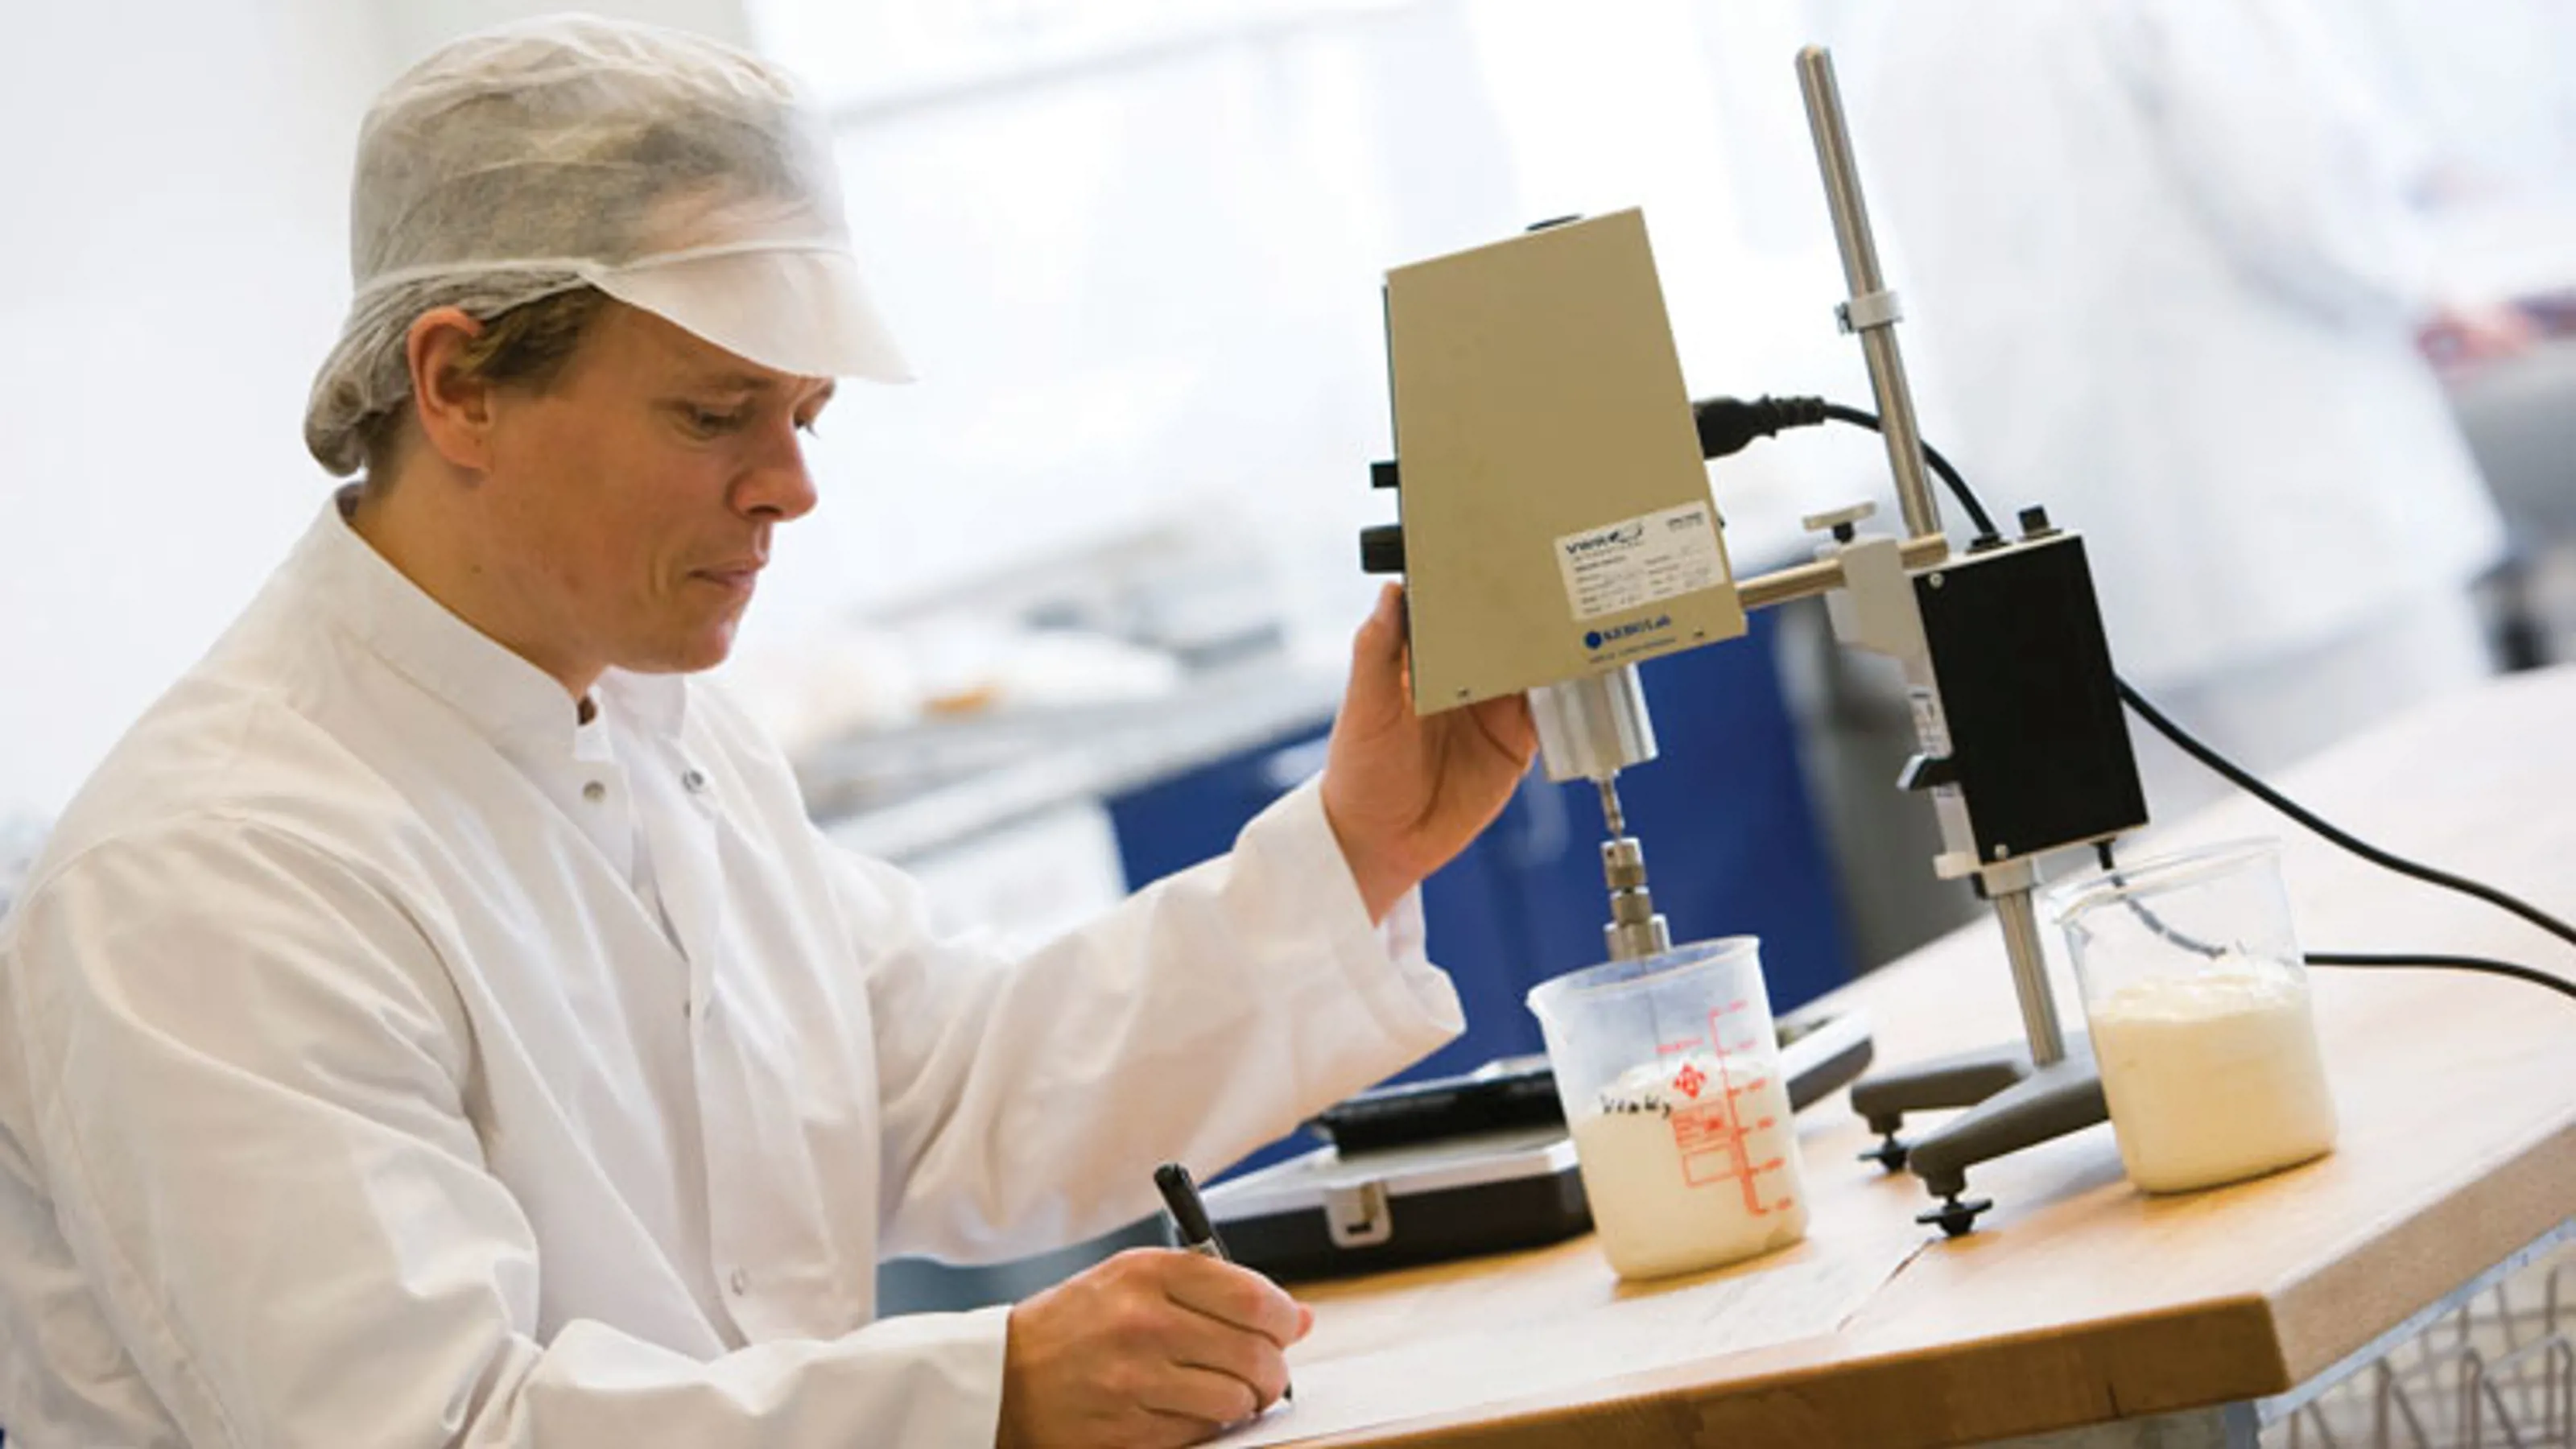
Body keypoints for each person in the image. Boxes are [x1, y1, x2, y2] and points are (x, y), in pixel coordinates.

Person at [0, 17, 1534, 1447]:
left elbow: (952, 1082)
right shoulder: (213, 874)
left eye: (806, 414)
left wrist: (1359, 844)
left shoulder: (660, 727)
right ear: (460, 383)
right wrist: (979, 1395)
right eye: (713, 411)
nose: (793, 486)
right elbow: (433, 1428)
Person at [1854, 0, 2509, 819]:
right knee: (2439, 844)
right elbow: (2299, 195)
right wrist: (2422, 286)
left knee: (2239, 910)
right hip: (2307, 542)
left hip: (2105, 579)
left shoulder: (1903, 33)